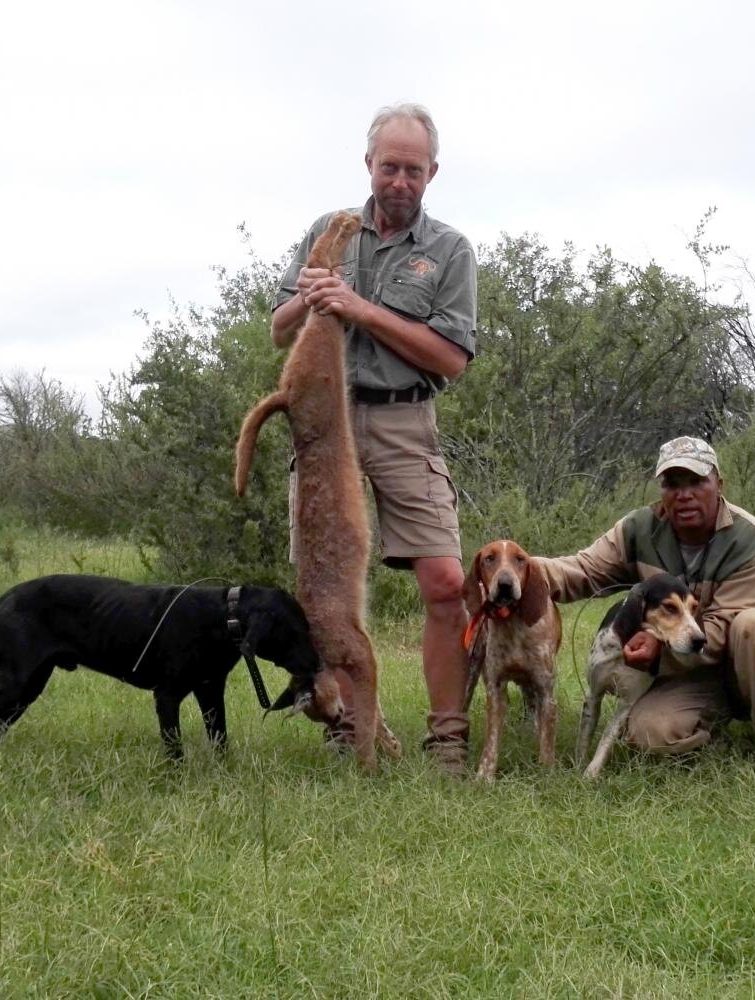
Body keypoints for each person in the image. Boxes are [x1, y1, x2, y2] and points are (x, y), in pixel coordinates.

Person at [270, 103, 477, 772]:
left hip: (401, 419)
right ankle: (349, 729)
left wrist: (361, 308)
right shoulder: (329, 232)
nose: (399, 181)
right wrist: (307, 298)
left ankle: (446, 740)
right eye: (389, 167)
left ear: (432, 173)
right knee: (320, 590)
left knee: (445, 581)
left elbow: (450, 358)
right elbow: (279, 328)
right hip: (323, 424)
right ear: (369, 165)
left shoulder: (448, 250)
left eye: (413, 170)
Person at [534, 436, 755, 782]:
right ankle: (712, 723)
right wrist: (517, 570)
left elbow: (724, 627)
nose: (684, 495)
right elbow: (582, 569)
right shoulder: (639, 528)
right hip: (686, 673)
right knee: (649, 734)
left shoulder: (750, 541)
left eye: (697, 481)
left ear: (719, 484)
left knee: (754, 624)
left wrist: (657, 646)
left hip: (746, 661)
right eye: (672, 484)